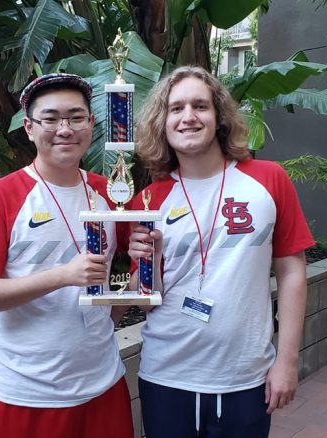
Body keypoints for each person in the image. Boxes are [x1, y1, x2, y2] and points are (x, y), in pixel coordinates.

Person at [126, 66, 314, 437]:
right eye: (176, 108)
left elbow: (292, 271)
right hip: (167, 374)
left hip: (244, 376)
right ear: (162, 123)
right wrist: (150, 260)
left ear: (220, 118)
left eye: (200, 106)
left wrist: (287, 361)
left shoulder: (267, 179)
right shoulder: (148, 200)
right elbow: (145, 301)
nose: (188, 117)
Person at [0, 73, 133, 438]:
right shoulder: (1, 195)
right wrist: (62, 276)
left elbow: (130, 268)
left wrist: (112, 313)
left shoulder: (110, 191)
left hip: (103, 383)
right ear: (29, 128)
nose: (64, 129)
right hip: (26, 393)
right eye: (50, 119)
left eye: (76, 117)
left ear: (92, 124)